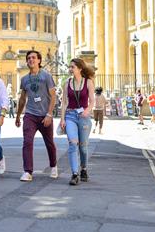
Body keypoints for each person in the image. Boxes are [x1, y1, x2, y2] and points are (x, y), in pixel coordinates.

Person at [15, 50, 58, 182]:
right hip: (30, 115)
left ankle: (54, 166)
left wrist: (49, 114)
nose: (31, 60)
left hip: (45, 115)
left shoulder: (46, 76)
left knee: (49, 143)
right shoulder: (24, 79)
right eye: (28, 58)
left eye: (33, 58)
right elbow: (22, 99)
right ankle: (28, 171)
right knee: (27, 142)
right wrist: (17, 116)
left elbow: (53, 96)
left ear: (39, 60)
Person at [59, 58, 95, 186]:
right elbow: (64, 102)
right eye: (69, 66)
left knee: (83, 147)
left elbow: (92, 101)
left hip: (84, 117)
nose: (70, 69)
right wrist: (62, 119)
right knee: (73, 143)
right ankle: (75, 174)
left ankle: (83, 168)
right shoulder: (67, 83)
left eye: (73, 67)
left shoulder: (88, 82)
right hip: (70, 116)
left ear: (80, 68)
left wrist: (87, 110)